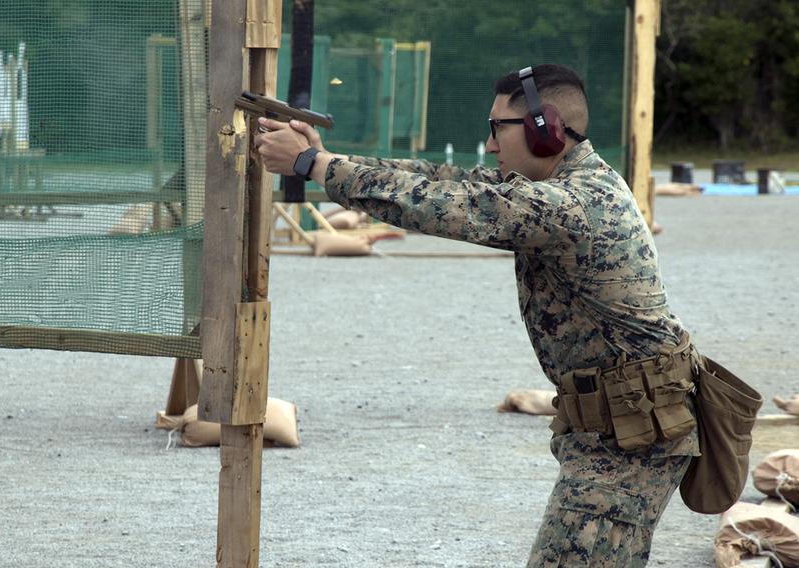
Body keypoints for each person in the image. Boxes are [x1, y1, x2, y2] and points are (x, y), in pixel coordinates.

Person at [255, 63, 700, 567]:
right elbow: (440, 180)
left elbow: (444, 205)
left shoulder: (570, 203)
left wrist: (314, 165)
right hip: (618, 429)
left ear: (545, 128)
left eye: (497, 128)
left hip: (629, 435)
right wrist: (328, 159)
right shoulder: (566, 184)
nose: (490, 145)